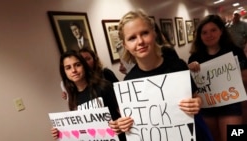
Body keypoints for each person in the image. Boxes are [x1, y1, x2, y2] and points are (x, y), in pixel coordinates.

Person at [109, 10, 213, 141]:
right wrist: (123, 124)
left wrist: (197, 102)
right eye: (132, 38)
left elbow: (196, 97)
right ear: (125, 45)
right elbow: (133, 122)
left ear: (154, 33)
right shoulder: (129, 81)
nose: (140, 41)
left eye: (144, 33)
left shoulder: (177, 66)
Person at [188, 14, 246, 141]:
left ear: (221, 31)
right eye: (204, 32)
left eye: (213, 30)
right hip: (207, 106)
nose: (209, 35)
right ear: (200, 36)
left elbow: (245, 76)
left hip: (232, 104)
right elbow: (192, 88)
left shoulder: (235, 51)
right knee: (211, 138)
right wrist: (190, 69)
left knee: (236, 136)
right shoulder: (194, 58)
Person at [51, 50, 126, 141]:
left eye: (77, 65)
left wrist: (121, 124)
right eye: (68, 68)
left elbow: (125, 113)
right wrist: (61, 132)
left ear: (84, 66)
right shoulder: (72, 97)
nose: (74, 70)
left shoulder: (104, 86)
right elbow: (80, 127)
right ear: (64, 72)